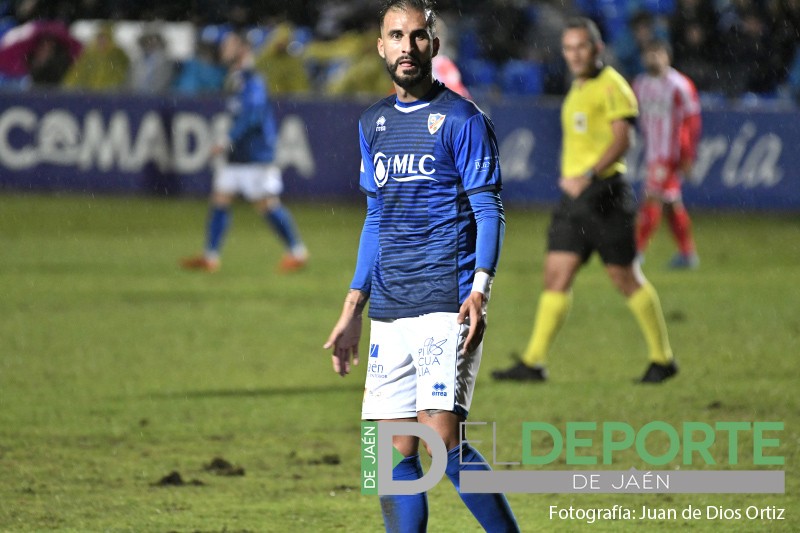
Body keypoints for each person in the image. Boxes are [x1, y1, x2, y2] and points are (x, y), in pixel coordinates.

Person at [322, 1, 520, 531]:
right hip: (390, 307)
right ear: (380, 46)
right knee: (385, 460)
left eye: (418, 36)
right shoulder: (373, 122)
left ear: (434, 44)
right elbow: (375, 219)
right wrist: (352, 308)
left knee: (444, 443)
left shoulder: (464, 119)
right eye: (396, 37)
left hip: (445, 303)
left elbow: (488, 209)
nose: (407, 47)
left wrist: (480, 290)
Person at [492, 17, 677, 384]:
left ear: (597, 49)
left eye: (582, 47)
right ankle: (534, 362)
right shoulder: (577, 87)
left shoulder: (613, 86)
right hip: (574, 200)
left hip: (606, 193)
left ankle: (663, 358)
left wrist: (588, 175)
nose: (575, 55)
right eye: (569, 48)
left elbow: (623, 140)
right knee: (555, 276)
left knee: (624, 277)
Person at [180, 30, 308, 274]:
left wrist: (228, 139)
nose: (223, 49)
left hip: (256, 153)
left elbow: (252, 116)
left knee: (267, 204)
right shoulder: (236, 78)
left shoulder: (252, 80)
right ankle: (210, 256)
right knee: (220, 197)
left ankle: (297, 251)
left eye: (228, 44)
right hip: (239, 154)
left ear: (242, 50)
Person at [633, 39, 702, 268]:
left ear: (668, 57)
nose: (653, 58)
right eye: (649, 53)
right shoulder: (640, 84)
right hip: (653, 152)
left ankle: (635, 253)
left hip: (670, 154)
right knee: (672, 205)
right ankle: (687, 254)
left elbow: (692, 122)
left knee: (650, 198)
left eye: (658, 53)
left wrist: (687, 155)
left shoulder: (680, 85)